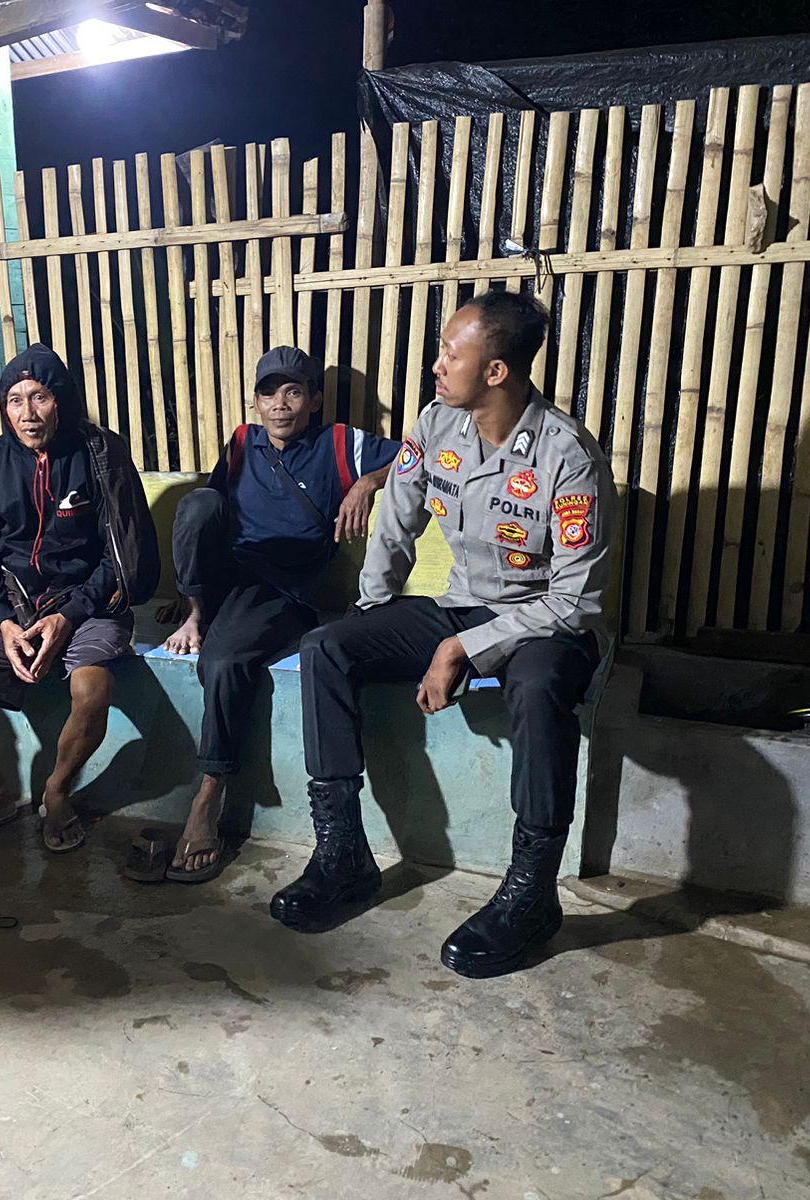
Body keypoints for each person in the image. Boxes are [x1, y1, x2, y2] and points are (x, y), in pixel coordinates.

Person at [272, 290, 615, 980]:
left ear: (496, 371)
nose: (436, 366)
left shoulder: (567, 455)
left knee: (541, 685)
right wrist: (372, 613)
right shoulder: (436, 425)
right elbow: (396, 523)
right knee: (327, 647)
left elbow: (577, 600)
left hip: (545, 622)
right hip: (459, 605)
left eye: (450, 354)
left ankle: (531, 893)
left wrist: (461, 650)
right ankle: (343, 854)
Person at [145, 346, 395, 883]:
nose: (279, 404)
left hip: (281, 588)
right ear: (256, 402)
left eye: (293, 392)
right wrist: (193, 594)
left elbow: (419, 455)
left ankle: (209, 794)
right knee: (198, 503)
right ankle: (196, 615)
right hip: (228, 576)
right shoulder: (242, 441)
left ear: (313, 400)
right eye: (268, 393)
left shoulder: (338, 443)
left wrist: (367, 482)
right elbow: (205, 519)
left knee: (223, 661)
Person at [0, 344, 158, 853]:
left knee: (92, 691)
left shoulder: (100, 455)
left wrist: (69, 616)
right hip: (15, 603)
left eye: (40, 397)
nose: (28, 413)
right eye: (15, 400)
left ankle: (57, 791)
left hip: (91, 599)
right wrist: (1, 620)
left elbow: (121, 552)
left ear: (61, 400)